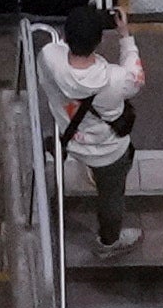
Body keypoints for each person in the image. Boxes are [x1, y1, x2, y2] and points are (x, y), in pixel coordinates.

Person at [40, 19, 146, 256]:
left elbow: (56, 54)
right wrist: (125, 35)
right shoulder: (116, 79)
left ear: (66, 38)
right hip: (108, 152)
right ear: (98, 42)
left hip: (68, 136)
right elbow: (136, 74)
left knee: (84, 159)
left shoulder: (49, 57)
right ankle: (109, 243)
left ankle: (86, 168)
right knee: (111, 197)